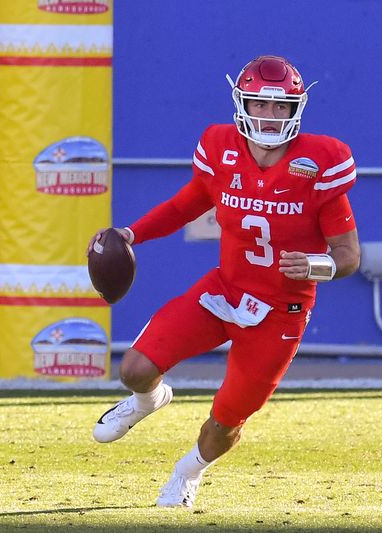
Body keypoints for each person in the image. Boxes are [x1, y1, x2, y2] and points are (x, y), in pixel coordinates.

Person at [87, 55, 361, 508]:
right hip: (224, 290)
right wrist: (131, 233)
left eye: (280, 108)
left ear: (296, 110)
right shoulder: (220, 146)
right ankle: (146, 402)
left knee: (226, 420)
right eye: (260, 105)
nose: (270, 117)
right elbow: (184, 205)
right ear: (243, 105)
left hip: (280, 312)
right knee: (134, 368)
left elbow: (348, 256)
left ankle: (188, 471)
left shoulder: (320, 161)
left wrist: (316, 266)